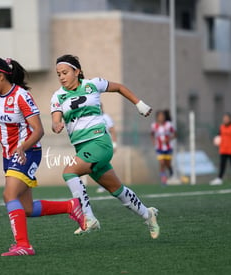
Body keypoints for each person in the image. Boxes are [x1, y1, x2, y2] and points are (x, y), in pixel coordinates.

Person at [0, 57, 86, 256]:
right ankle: (71, 206)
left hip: (28, 153)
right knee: (27, 209)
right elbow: (1, 124)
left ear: (1, 76)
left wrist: (22, 147)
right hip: (9, 155)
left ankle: (23, 245)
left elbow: (38, 130)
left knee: (9, 195)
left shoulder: (22, 96)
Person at [50, 54, 160, 238]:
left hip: (100, 142)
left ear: (77, 72)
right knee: (117, 190)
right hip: (84, 149)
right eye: (58, 74)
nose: (61, 77)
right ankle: (148, 214)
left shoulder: (93, 84)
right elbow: (55, 119)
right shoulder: (58, 96)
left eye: (65, 72)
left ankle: (88, 218)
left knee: (69, 172)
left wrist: (139, 104)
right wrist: (56, 125)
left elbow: (119, 87)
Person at [210, 112, 231, 186]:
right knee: (222, 164)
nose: (225, 120)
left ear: (230, 119)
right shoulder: (222, 127)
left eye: (227, 118)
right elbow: (218, 136)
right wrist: (216, 140)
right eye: (224, 119)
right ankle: (219, 179)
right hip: (223, 149)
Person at [151, 110, 176, 185]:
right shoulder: (154, 126)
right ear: (157, 117)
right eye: (160, 116)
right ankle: (163, 179)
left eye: (163, 116)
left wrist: (168, 139)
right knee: (162, 163)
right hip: (159, 148)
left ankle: (170, 169)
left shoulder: (168, 125)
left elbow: (175, 134)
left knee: (167, 163)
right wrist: (153, 141)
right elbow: (152, 134)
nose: (161, 118)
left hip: (168, 148)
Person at [96, 111, 117, 193]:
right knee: (100, 164)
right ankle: (105, 185)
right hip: (97, 144)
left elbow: (112, 130)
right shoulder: (93, 118)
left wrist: (114, 144)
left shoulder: (106, 117)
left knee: (102, 164)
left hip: (105, 143)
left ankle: (105, 185)